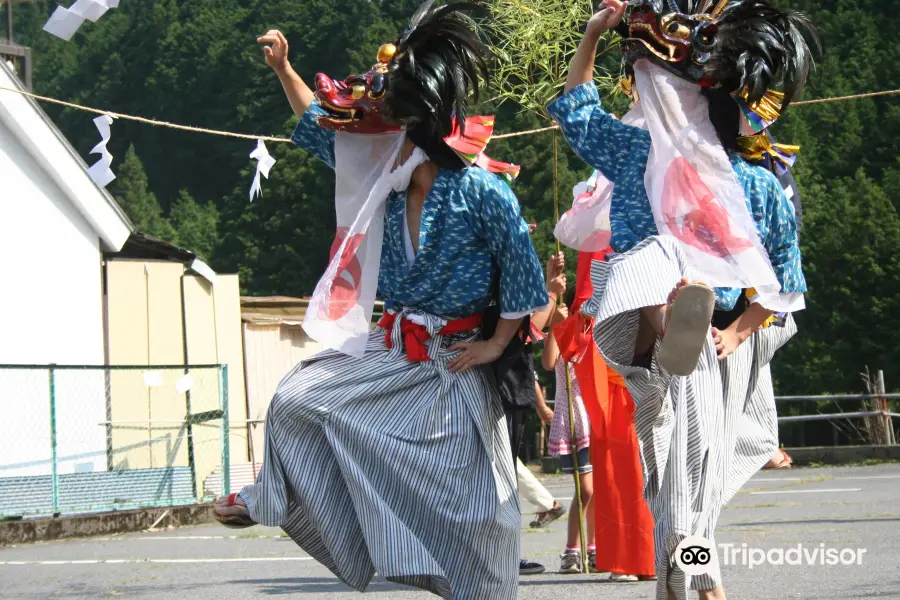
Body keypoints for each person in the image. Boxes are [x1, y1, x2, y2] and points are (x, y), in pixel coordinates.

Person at [214, 3, 549, 599]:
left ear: (409, 134)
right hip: (392, 350)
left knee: (482, 518)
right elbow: (319, 125)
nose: (361, 149)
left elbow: (526, 277)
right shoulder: (382, 183)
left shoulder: (484, 193)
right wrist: (284, 70)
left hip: (458, 363)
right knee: (296, 397)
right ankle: (271, 496)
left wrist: (496, 342)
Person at [548, 0, 818, 598]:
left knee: (684, 474)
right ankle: (665, 318)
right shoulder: (639, 156)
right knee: (652, 263)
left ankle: (690, 576)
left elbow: (785, 285)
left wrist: (738, 333)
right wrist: (594, 33)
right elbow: (578, 114)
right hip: (641, 322)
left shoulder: (754, 184)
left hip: (714, 345)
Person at [542, 284, 596, 574]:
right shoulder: (567, 333)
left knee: (598, 490)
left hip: (598, 418)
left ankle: (593, 548)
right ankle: (571, 551)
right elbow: (548, 362)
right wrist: (555, 326)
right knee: (585, 490)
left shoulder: (598, 334)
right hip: (576, 418)